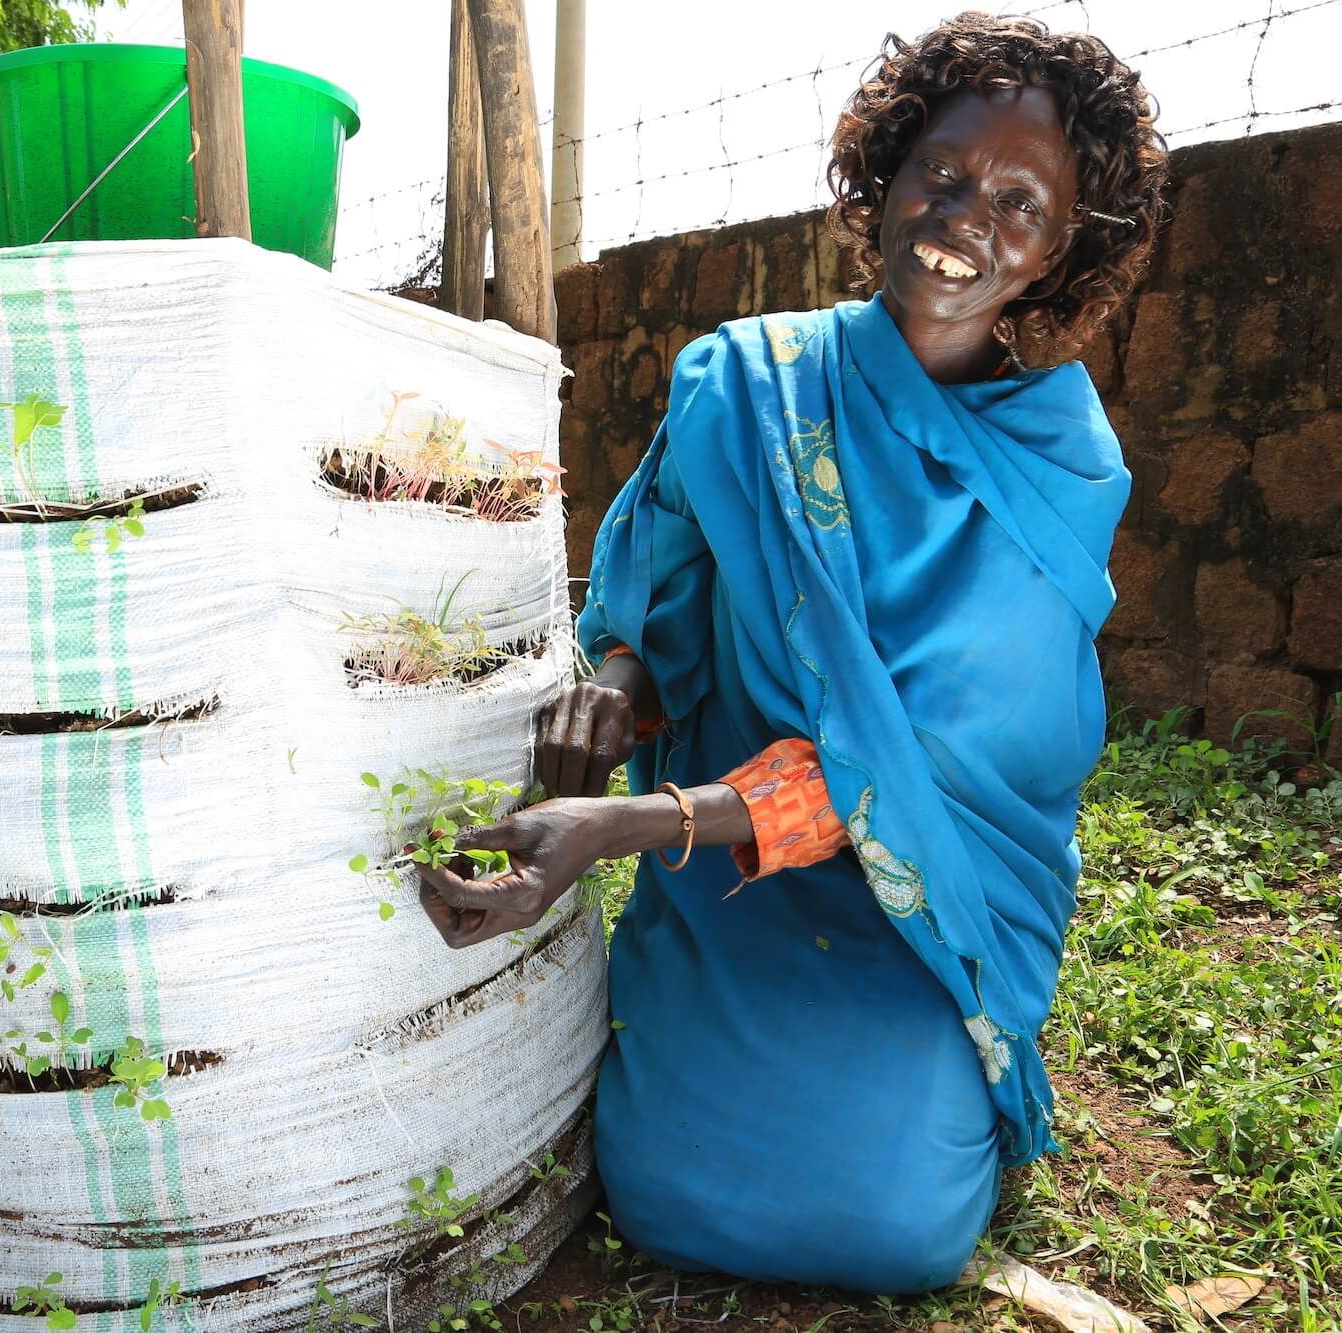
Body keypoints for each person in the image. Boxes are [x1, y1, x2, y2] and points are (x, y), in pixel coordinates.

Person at [418, 12, 1169, 1293]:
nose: (964, 214)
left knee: (892, 1223)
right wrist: (609, 693)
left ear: (1056, 253)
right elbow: (658, 597)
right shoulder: (744, 380)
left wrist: (613, 829)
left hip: (919, 902)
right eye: (938, 171)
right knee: (659, 1182)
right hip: (731, 881)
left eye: (1017, 201)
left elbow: (909, 778)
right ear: (880, 175)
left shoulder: (1054, 470)